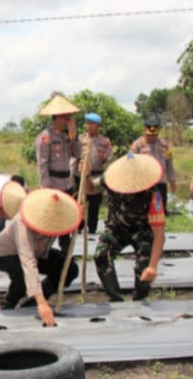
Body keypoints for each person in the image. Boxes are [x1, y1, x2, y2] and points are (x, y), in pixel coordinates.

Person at [0, 189, 81, 324]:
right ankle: (8, 303)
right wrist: (42, 302)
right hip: (7, 254)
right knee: (23, 275)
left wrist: (81, 217)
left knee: (69, 269)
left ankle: (31, 302)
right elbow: (27, 260)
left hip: (39, 253)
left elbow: (75, 225)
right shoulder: (24, 221)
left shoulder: (59, 218)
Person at [87, 153, 166, 302]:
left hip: (142, 231)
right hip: (116, 229)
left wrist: (153, 267)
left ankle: (140, 296)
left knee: (145, 267)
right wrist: (85, 177)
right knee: (101, 255)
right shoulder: (109, 178)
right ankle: (116, 296)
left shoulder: (154, 194)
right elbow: (90, 189)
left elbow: (159, 235)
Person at [35, 93, 82, 253]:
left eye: (69, 117)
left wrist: (74, 135)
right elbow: (42, 164)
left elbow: (77, 154)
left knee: (65, 223)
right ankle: (41, 251)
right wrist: (46, 188)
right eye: (65, 117)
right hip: (52, 184)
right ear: (56, 118)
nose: (68, 120)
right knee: (49, 221)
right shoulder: (46, 137)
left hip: (66, 184)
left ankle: (65, 253)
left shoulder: (67, 136)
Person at [73, 112, 113, 234]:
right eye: (88, 123)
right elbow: (73, 154)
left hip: (97, 176)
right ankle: (77, 228)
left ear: (98, 126)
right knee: (79, 203)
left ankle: (92, 230)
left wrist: (105, 158)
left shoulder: (105, 141)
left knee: (95, 205)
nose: (89, 126)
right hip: (81, 176)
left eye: (92, 124)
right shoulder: (81, 139)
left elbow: (111, 158)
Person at [130, 117, 176, 212]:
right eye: (149, 135)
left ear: (158, 132)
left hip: (160, 184)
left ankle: (158, 226)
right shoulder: (138, 144)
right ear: (145, 131)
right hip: (144, 184)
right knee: (143, 210)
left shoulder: (163, 144)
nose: (152, 137)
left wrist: (172, 180)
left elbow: (169, 162)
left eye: (154, 135)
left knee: (159, 209)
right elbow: (129, 160)